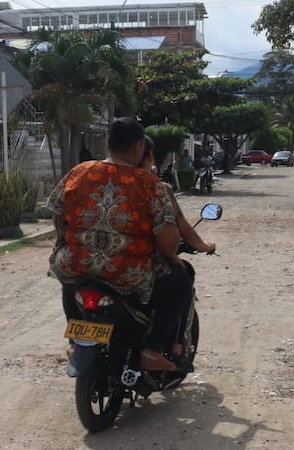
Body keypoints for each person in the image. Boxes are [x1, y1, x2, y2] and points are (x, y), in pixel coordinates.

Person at [48, 117, 192, 373]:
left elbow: (57, 214)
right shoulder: (148, 184)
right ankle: (153, 350)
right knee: (181, 281)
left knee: (69, 280)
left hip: (76, 265)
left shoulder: (79, 171)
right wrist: (171, 255)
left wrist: (63, 242)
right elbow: (168, 237)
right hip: (127, 275)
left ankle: (75, 342)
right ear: (138, 147)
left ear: (108, 143)